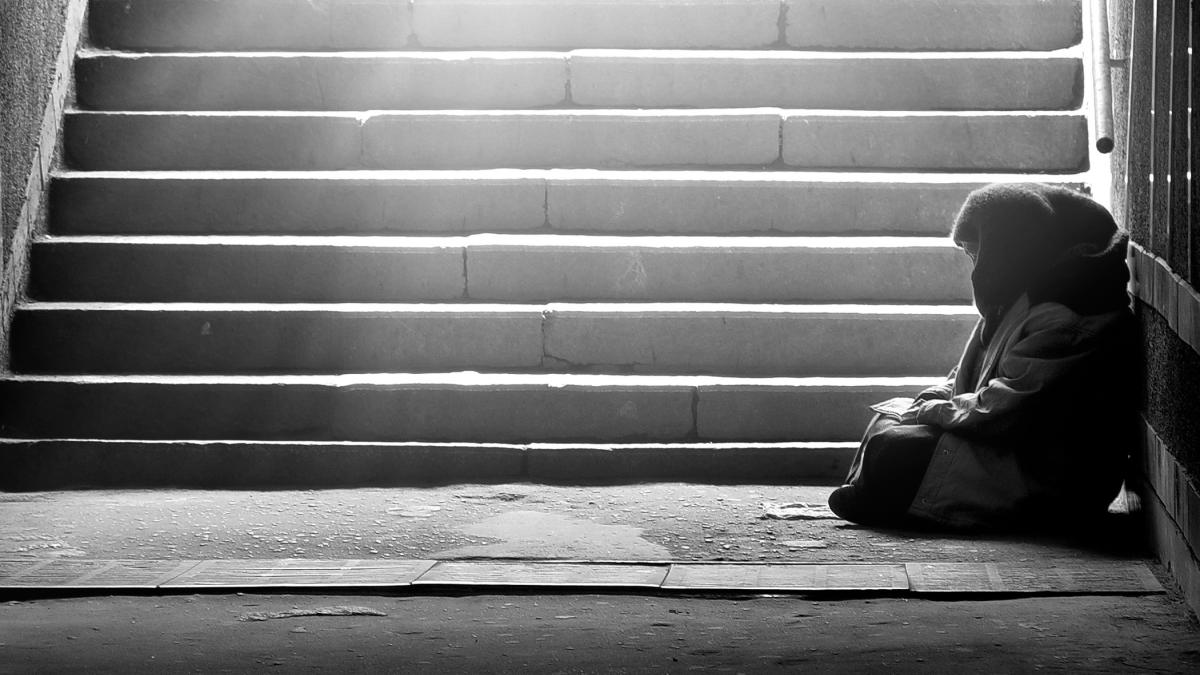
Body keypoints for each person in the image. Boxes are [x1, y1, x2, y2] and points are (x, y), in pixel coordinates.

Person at [827, 182, 1136, 530]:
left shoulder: (1069, 318)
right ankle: (871, 493)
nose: (976, 265)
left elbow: (1006, 408)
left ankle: (878, 498)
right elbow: (966, 373)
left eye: (978, 254)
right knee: (886, 422)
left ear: (1006, 250)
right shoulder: (1021, 295)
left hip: (1042, 470)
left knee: (894, 448)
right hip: (996, 441)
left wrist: (934, 412)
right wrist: (930, 400)